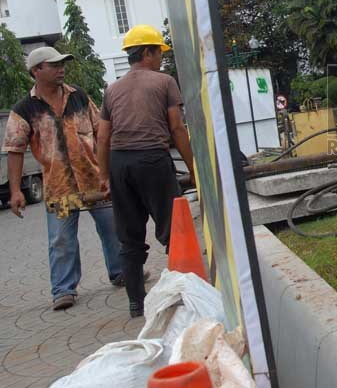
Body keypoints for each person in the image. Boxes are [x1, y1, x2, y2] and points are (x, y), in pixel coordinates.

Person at [1, 47, 123, 311]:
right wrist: (15, 191)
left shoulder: (78, 96)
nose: (61, 69)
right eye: (53, 65)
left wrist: (110, 171)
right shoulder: (24, 109)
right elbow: (14, 149)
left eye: (62, 64)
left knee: (113, 228)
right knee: (61, 240)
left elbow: (101, 132)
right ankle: (64, 290)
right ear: (36, 71)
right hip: (60, 188)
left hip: (95, 180)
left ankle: (121, 272)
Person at [96, 24, 194, 318]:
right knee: (172, 230)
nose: (161, 59)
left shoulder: (111, 89)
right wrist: (194, 169)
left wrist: (104, 176)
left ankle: (136, 303)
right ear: (148, 53)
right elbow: (176, 127)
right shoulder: (165, 82)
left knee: (129, 238)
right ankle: (184, 293)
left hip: (120, 164)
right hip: (152, 160)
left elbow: (103, 137)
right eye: (159, 53)